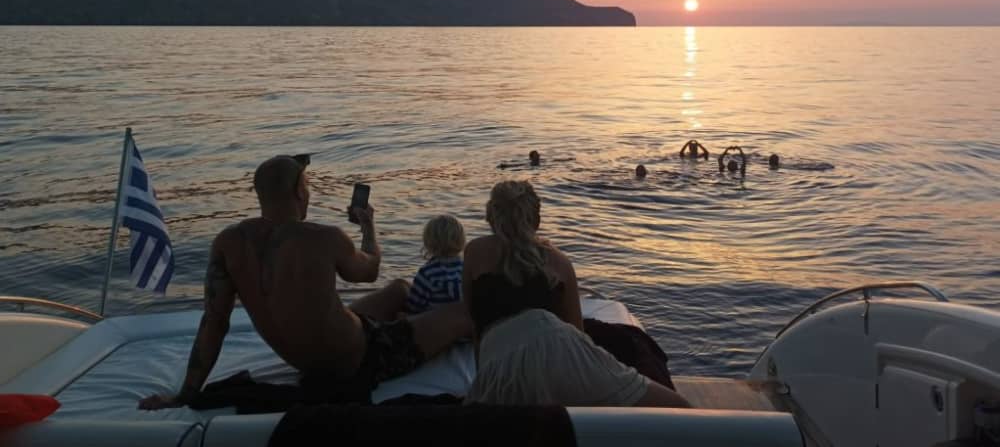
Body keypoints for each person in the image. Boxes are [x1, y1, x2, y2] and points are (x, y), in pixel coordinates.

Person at [138, 155, 471, 410]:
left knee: (399, 289)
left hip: (306, 359)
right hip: (361, 360)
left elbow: (214, 324)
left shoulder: (228, 243)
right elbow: (369, 270)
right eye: (308, 186)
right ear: (299, 190)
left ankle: (410, 321)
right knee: (464, 312)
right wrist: (368, 227)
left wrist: (185, 394)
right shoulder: (324, 237)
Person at [462, 180, 689, 408]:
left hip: (501, 356)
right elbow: (577, 332)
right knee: (676, 406)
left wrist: (484, 377)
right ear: (536, 220)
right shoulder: (559, 262)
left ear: (491, 217)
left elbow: (473, 324)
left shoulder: (475, 251)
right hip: (563, 351)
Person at [404, 214, 465, 314]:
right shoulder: (466, 268)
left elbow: (414, 306)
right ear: (461, 240)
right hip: (459, 319)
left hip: (430, 321)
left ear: (428, 242)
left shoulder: (427, 272)